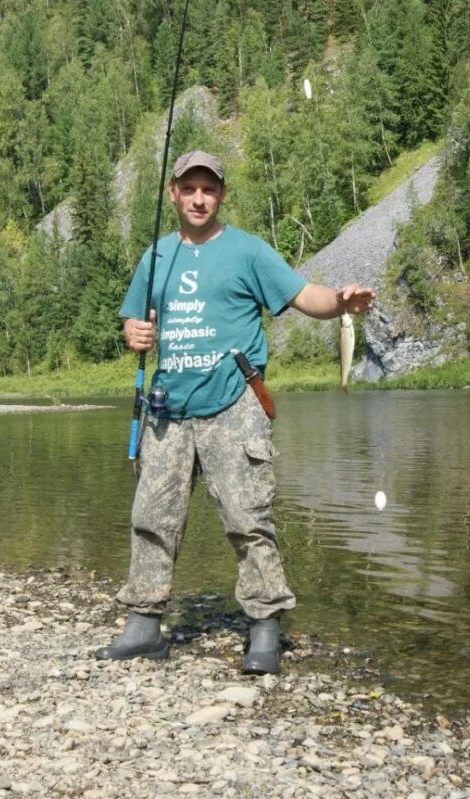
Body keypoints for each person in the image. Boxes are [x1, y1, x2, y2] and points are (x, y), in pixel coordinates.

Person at [96, 150, 375, 674]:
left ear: (221, 194)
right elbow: (134, 324)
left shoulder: (248, 251)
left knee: (249, 519)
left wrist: (340, 303)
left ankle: (265, 629)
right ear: (173, 194)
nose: (199, 198)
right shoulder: (154, 257)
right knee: (151, 516)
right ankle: (142, 625)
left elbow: (302, 294)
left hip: (235, 404)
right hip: (167, 409)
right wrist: (132, 334)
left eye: (209, 189)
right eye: (189, 189)